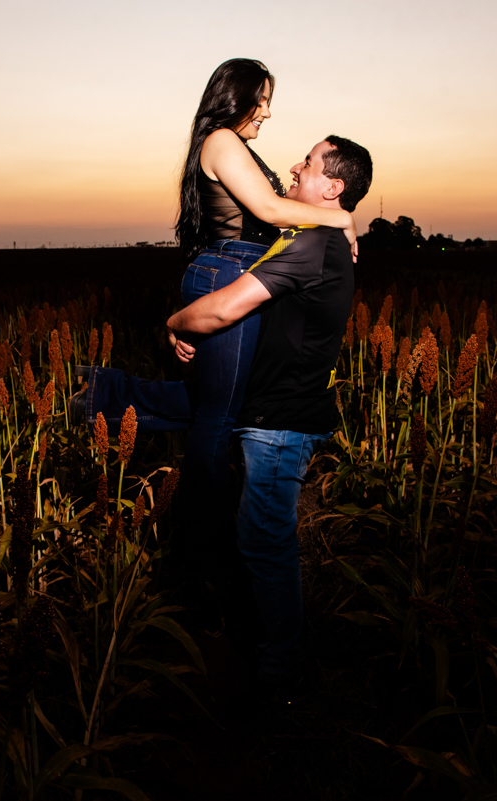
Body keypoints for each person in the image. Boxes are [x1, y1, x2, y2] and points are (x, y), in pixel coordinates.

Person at [77, 59, 356, 577]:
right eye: (263, 99)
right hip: (227, 272)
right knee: (220, 418)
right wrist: (339, 215)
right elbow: (272, 213)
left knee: (224, 405)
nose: (268, 112)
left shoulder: (235, 146)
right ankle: (200, 550)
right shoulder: (223, 140)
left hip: (238, 272)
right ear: (236, 95)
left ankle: (104, 396)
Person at [166, 135, 373, 687]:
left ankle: (280, 678)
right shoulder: (316, 238)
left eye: (307, 164)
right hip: (275, 418)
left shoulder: (311, 248)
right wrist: (344, 219)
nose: (292, 168)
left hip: (281, 426)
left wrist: (176, 322)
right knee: (257, 536)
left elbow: (223, 310)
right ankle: (263, 652)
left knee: (264, 541)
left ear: (331, 186)